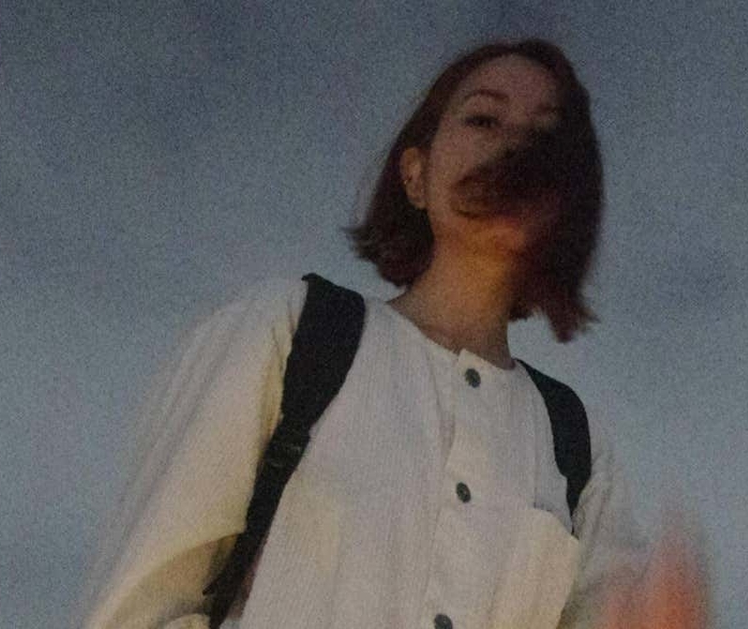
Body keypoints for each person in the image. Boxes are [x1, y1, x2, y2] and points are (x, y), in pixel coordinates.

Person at [78, 39, 707, 629]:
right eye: (484, 119)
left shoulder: (578, 449)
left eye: (546, 137)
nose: (516, 147)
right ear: (415, 175)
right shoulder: (289, 331)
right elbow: (138, 609)